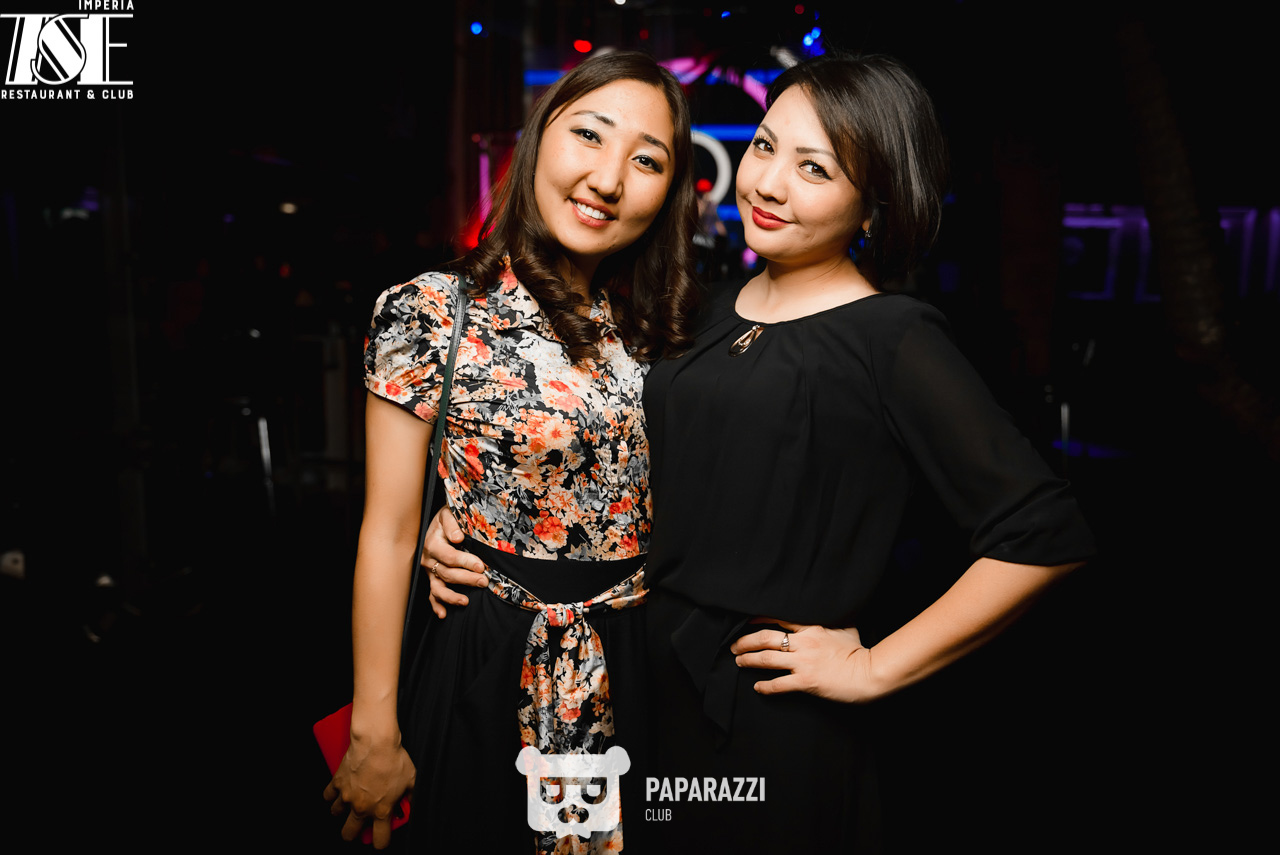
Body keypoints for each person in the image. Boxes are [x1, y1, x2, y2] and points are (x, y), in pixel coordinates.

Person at [425, 52, 1095, 851]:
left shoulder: (893, 337)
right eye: (766, 147)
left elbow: (1044, 532)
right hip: (638, 689)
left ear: (872, 209)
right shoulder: (702, 308)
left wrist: (876, 666)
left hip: (768, 719)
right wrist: (475, 524)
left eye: (815, 168)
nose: (769, 184)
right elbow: (612, 455)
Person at [323, 50, 700, 853]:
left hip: (635, 664)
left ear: (671, 191)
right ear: (536, 139)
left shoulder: (664, 329)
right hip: (488, 656)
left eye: (646, 160)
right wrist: (373, 730)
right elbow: (388, 532)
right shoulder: (430, 311)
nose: (608, 178)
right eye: (589, 135)